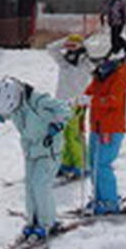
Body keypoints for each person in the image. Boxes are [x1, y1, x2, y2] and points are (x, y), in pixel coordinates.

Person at [0, 77, 71, 239]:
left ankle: (48, 223)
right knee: (30, 187)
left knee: (41, 185)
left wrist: (57, 126)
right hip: (31, 151)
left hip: (49, 149)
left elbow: (65, 110)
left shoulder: (38, 101)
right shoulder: (15, 103)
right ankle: (33, 221)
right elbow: (11, 113)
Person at [82, 34, 126, 215]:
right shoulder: (101, 73)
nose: (96, 65)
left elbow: (114, 101)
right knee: (93, 163)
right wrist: (82, 99)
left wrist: (92, 100)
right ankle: (99, 198)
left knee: (103, 164)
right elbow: (91, 91)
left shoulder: (119, 75)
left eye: (99, 61)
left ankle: (110, 200)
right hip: (96, 125)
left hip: (111, 128)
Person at [46, 33, 93, 180]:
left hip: (77, 104)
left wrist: (83, 43)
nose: (71, 50)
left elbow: (96, 55)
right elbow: (50, 49)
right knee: (62, 136)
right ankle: (66, 163)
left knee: (74, 135)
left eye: (74, 47)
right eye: (69, 47)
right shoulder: (64, 62)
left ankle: (81, 165)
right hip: (60, 104)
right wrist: (65, 41)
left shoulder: (86, 62)